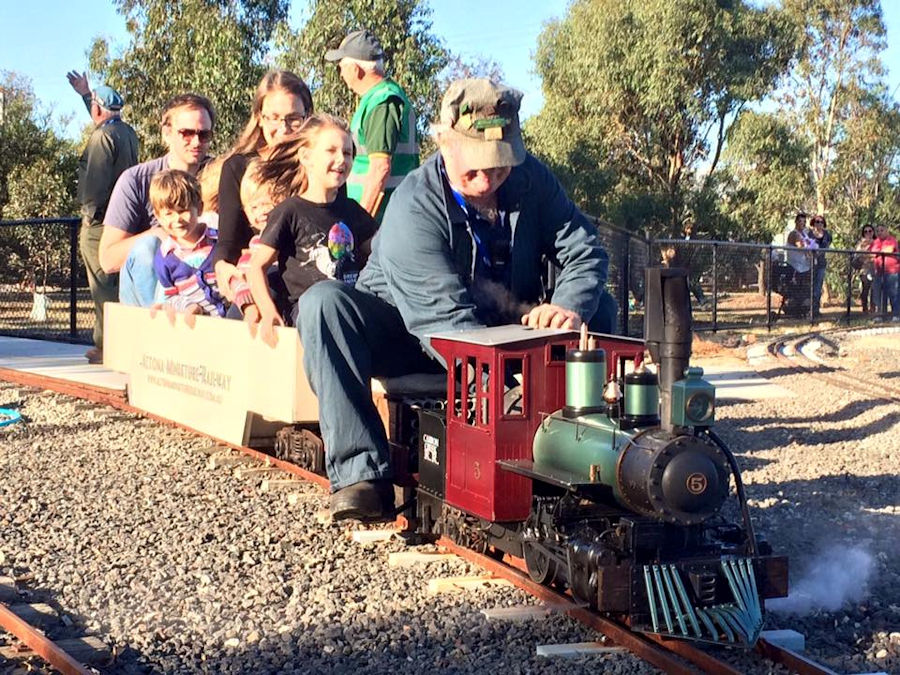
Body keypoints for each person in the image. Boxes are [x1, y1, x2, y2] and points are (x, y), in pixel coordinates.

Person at [296, 78, 616, 521]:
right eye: (472, 171)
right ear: (444, 145)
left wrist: (568, 306)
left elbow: (584, 249)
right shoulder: (414, 204)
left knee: (598, 307)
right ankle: (362, 473)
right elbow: (443, 321)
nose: (486, 182)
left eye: (499, 169)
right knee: (323, 305)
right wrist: (516, 398)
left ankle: (598, 443)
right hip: (411, 330)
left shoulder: (533, 179)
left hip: (497, 328)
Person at [247, 114, 378, 344]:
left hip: (349, 308)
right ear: (306, 157)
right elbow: (256, 267)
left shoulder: (353, 211)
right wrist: (268, 311)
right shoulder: (290, 211)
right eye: (331, 151)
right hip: (308, 315)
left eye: (347, 153)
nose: (341, 159)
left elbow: (380, 253)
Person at [99, 94, 216, 307]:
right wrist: (163, 235)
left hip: (203, 291)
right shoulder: (136, 180)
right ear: (167, 134)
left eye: (204, 134)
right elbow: (108, 259)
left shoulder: (220, 177)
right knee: (148, 247)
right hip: (148, 296)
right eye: (187, 133)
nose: (196, 142)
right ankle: (162, 328)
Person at [214, 71, 313, 301]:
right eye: (274, 117)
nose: (284, 127)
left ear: (307, 117)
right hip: (255, 279)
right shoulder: (237, 167)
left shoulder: (318, 167)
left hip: (306, 280)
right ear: (259, 117)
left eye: (293, 118)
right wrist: (222, 266)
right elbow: (228, 241)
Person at [66, 72, 139, 363]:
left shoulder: (101, 137)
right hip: (124, 218)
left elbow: (95, 183)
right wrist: (86, 94)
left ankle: (107, 346)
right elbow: (103, 118)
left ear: (97, 109)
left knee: (101, 285)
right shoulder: (126, 132)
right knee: (120, 285)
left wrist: (88, 216)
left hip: (99, 223)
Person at [325, 29, 418, 220]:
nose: (341, 74)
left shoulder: (381, 102)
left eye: (341, 67)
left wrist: (360, 224)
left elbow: (380, 168)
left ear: (355, 69)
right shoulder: (379, 98)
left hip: (382, 222)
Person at [150, 169, 225, 317]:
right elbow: (170, 297)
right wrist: (190, 306)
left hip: (229, 321)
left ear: (199, 208)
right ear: (158, 216)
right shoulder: (165, 258)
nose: (177, 219)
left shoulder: (218, 241)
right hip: (194, 327)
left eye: (183, 210)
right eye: (169, 213)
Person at [226, 159, 281, 322]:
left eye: (267, 204)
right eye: (254, 207)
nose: (261, 212)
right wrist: (248, 305)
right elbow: (239, 278)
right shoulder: (255, 246)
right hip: (255, 305)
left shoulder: (289, 239)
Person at [785, 211, 815, 316]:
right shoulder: (794, 234)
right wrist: (808, 248)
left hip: (804, 267)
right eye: (800, 221)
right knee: (796, 290)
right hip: (795, 266)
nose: (802, 223)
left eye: (804, 221)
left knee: (805, 290)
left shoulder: (804, 234)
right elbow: (801, 245)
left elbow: (811, 245)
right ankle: (795, 311)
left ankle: (804, 311)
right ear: (796, 222)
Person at [870, 223, 900, 322]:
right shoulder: (876, 242)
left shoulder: (891, 240)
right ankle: (881, 315)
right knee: (879, 294)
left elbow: (890, 249)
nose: (879, 232)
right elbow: (872, 253)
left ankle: (896, 315)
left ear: (887, 231)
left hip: (892, 271)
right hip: (879, 272)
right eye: (878, 231)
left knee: (894, 293)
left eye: (882, 230)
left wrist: (879, 252)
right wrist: (881, 252)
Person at [809, 214, 832, 317]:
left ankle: (815, 310)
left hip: (821, 264)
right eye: (817, 222)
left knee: (818, 287)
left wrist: (818, 254)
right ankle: (808, 309)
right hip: (809, 264)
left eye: (821, 222)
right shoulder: (809, 234)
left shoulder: (827, 235)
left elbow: (825, 246)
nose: (819, 224)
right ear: (813, 223)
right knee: (810, 286)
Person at [853, 225, 875, 313]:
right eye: (866, 231)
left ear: (873, 232)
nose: (868, 233)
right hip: (864, 270)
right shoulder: (861, 244)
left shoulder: (877, 242)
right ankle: (864, 307)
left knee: (874, 289)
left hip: (875, 268)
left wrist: (869, 257)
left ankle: (873, 307)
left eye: (870, 231)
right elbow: (858, 256)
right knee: (865, 288)